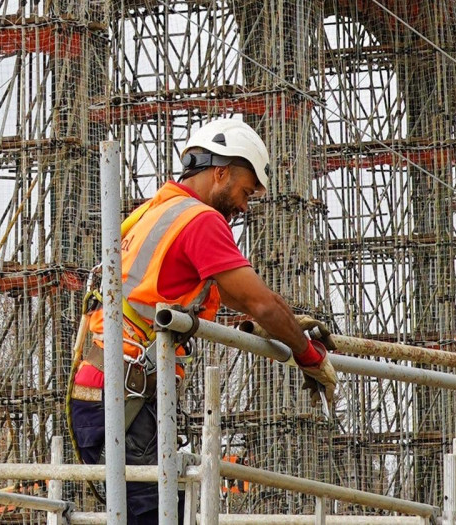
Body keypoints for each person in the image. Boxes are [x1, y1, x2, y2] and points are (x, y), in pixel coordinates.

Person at [66, 118, 339, 524]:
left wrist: (281, 324)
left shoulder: (156, 210)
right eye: (246, 191)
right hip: (127, 396)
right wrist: (308, 355)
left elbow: (232, 296)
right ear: (221, 171)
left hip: (101, 392)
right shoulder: (201, 220)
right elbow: (260, 301)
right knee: (156, 515)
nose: (245, 206)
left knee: (150, 511)